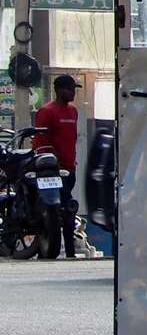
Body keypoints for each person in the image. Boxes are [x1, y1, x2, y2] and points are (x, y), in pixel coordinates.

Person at [35, 74, 80, 260]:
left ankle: (70, 252)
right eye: (70, 89)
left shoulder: (73, 112)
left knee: (68, 211)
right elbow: (41, 142)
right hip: (52, 171)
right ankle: (50, 247)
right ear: (60, 90)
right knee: (55, 210)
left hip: (69, 169)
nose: (73, 93)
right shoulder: (47, 111)